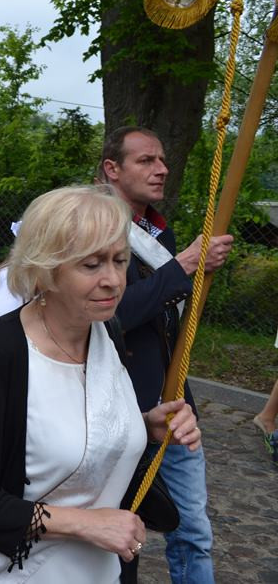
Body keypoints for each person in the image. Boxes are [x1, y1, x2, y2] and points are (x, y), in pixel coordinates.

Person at [0, 185, 202, 584]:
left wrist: (145, 425)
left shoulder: (107, 334)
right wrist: (85, 524)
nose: (113, 280)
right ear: (47, 267)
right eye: (91, 265)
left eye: (119, 261)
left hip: (104, 572)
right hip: (14, 574)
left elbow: (81, 425)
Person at [100, 126, 231, 583]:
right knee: (117, 536)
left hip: (174, 403)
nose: (162, 169)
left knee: (194, 531)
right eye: (147, 161)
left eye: (162, 160)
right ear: (112, 169)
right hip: (118, 406)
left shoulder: (158, 232)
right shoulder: (95, 227)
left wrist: (191, 275)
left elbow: (169, 319)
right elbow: (112, 316)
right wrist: (184, 267)